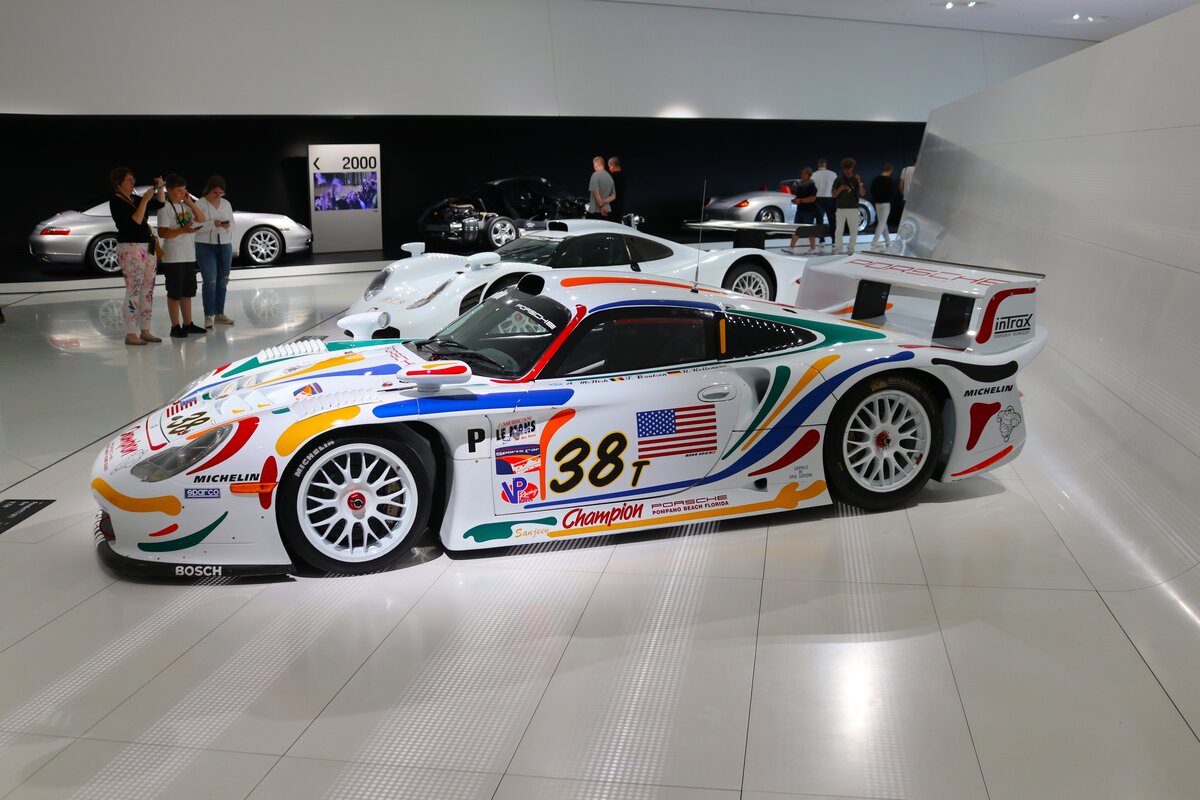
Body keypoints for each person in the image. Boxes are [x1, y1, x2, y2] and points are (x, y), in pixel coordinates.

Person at [108, 167, 165, 346]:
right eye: (129, 180)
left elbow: (160, 204)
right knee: (133, 290)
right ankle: (130, 332)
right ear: (119, 183)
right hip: (130, 247)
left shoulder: (135, 198)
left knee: (148, 290)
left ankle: (145, 330)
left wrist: (160, 187)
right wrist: (145, 201)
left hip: (146, 247)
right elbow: (136, 221)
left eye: (133, 179)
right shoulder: (116, 201)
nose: (133, 183)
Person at [156, 174, 207, 338]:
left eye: (184, 190)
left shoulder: (186, 207)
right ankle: (175, 326)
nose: (181, 193)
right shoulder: (165, 207)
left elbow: (201, 218)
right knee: (174, 293)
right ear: (168, 190)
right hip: (174, 256)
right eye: (178, 190)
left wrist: (190, 202)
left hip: (188, 255)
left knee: (187, 292)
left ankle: (188, 323)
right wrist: (183, 230)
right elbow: (162, 232)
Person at [195, 175, 236, 328]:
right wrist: (213, 224)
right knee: (210, 280)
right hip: (205, 245)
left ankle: (220, 313)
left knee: (223, 279)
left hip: (225, 244)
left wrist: (227, 226)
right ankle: (209, 315)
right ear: (208, 190)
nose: (218, 196)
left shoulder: (226, 204)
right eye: (215, 193)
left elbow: (233, 224)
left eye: (220, 193)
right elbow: (194, 227)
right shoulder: (199, 204)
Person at [831, 157, 865, 255]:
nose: (847, 171)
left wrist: (859, 182)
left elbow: (862, 193)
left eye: (849, 168)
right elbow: (833, 195)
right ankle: (838, 249)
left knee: (854, 230)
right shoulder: (839, 179)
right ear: (843, 168)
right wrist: (840, 189)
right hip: (841, 208)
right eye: (845, 168)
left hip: (853, 208)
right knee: (839, 230)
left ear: (852, 168)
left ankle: (851, 249)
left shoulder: (856, 179)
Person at [786, 167, 819, 253]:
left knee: (809, 230)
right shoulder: (800, 185)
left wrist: (800, 200)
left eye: (804, 173)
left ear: (808, 175)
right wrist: (795, 200)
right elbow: (798, 197)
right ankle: (791, 247)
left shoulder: (812, 186)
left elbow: (813, 198)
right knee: (796, 229)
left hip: (809, 211)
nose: (802, 175)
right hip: (800, 210)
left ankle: (813, 248)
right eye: (801, 173)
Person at [811, 159, 837, 249]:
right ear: (826, 164)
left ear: (818, 165)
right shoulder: (833, 174)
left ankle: (822, 240)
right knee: (832, 220)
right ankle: (834, 240)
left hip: (818, 199)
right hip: (830, 198)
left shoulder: (813, 175)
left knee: (819, 220)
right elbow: (836, 187)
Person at [870, 164, 895, 250]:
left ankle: (888, 241)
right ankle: (874, 241)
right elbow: (892, 192)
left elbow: (872, 191)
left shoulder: (876, 179)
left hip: (877, 203)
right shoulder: (889, 180)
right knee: (882, 223)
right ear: (890, 171)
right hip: (885, 203)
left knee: (883, 222)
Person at [607, 156, 626, 222]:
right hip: (619, 210)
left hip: (610, 211)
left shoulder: (610, 177)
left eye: (609, 166)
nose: (609, 168)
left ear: (612, 165)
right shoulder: (623, 177)